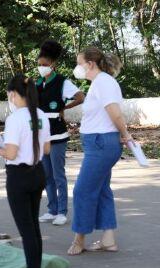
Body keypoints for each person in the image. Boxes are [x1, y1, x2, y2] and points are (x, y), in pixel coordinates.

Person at [0, 74, 51, 268]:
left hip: (19, 177)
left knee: (27, 231)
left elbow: (12, 153)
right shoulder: (41, 115)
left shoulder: (14, 119)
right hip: (38, 173)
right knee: (33, 226)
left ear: (13, 94)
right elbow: (46, 149)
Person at [67, 47, 132, 255]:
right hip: (98, 143)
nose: (77, 68)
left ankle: (79, 239)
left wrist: (126, 134)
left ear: (90, 64)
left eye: (79, 63)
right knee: (102, 189)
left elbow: (114, 112)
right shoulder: (100, 83)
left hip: (101, 143)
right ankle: (108, 239)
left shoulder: (103, 82)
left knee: (82, 190)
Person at [36, 40, 85, 226]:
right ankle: (52, 209)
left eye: (45, 65)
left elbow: (81, 97)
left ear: (53, 65)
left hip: (57, 135)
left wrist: (64, 107)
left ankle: (62, 211)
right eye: (39, 65)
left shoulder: (62, 82)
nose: (41, 68)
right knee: (46, 175)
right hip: (42, 136)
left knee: (58, 174)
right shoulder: (37, 83)